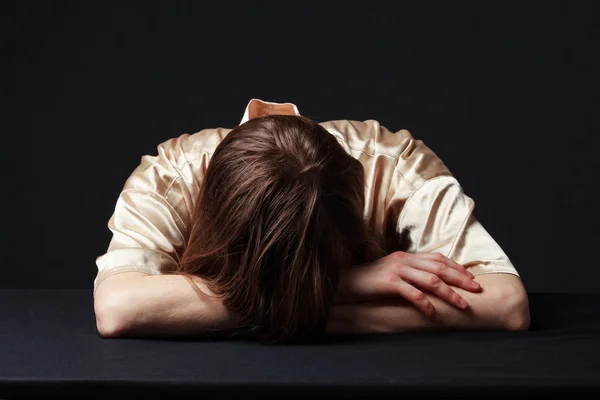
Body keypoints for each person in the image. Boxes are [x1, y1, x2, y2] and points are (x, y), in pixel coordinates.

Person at [93, 98, 530, 344]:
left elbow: (506, 304)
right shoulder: (174, 174)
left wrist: (303, 309)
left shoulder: (397, 167)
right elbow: (119, 308)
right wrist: (347, 286)